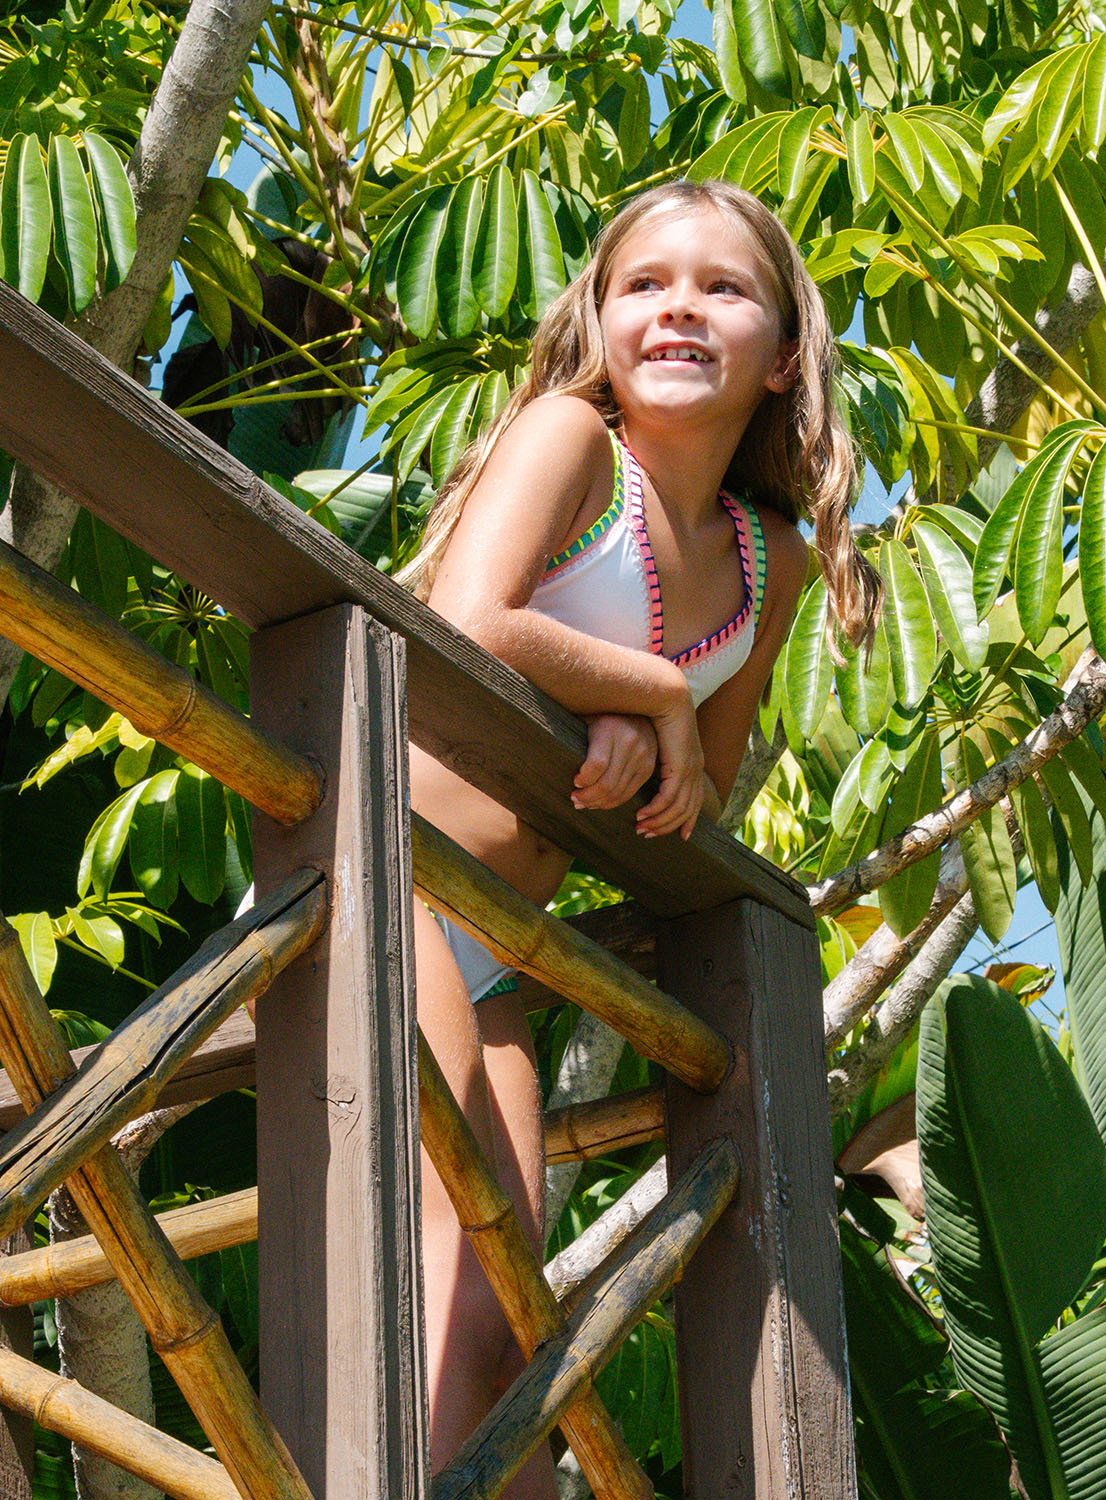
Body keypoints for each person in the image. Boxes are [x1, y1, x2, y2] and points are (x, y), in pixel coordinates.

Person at [399, 178, 881, 1496]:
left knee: (500, 1335)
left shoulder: (765, 557)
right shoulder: (569, 439)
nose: (677, 307)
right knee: (442, 1314)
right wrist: (644, 687)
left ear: (783, 352)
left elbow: (696, 797)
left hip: (497, 947)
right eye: (643, 285)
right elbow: (464, 620)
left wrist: (627, 736)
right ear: (599, 321)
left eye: (722, 287)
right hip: (388, 882)